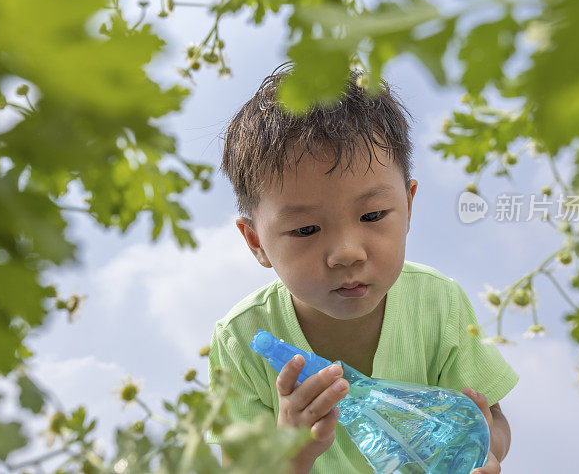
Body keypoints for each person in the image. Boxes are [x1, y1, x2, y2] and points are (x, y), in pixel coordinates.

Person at [205, 63, 518, 474]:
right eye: (306, 229)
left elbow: (494, 422)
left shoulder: (438, 303)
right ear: (257, 242)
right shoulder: (240, 340)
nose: (347, 253)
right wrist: (291, 454)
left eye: (372, 216)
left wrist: (481, 448)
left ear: (408, 206)